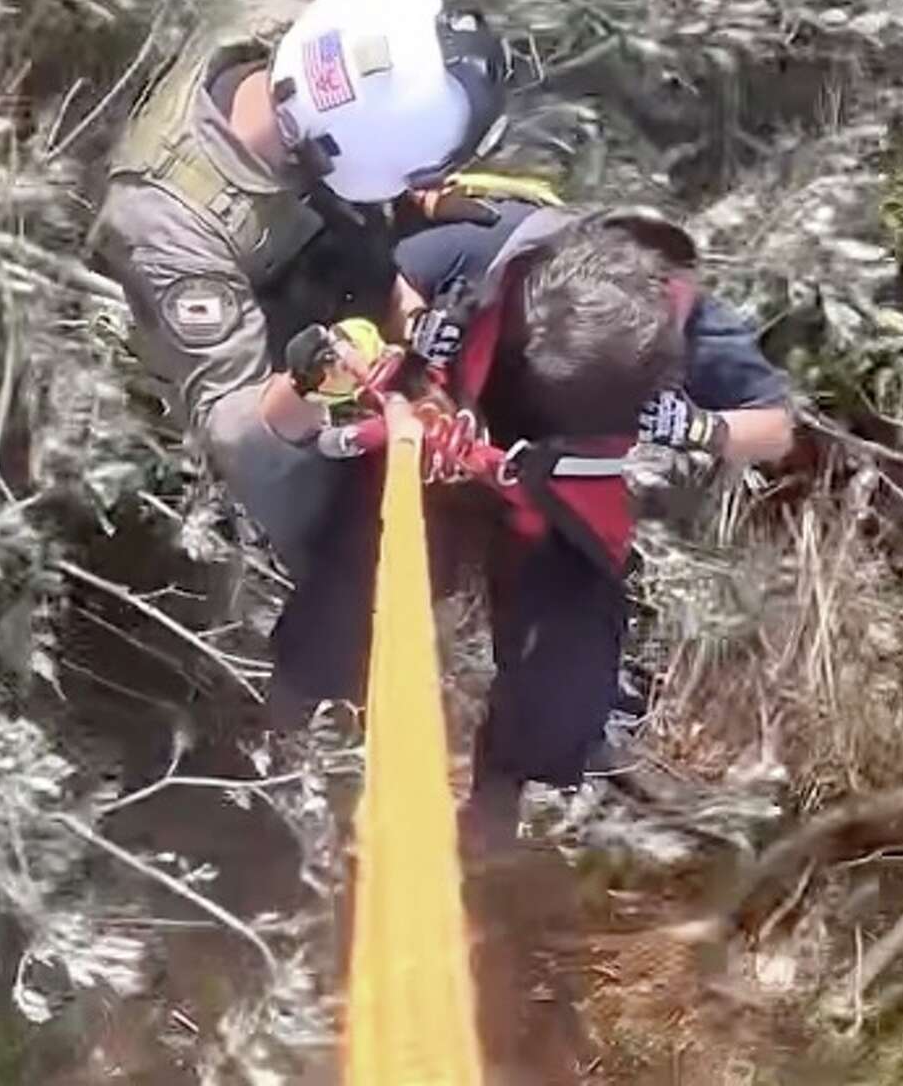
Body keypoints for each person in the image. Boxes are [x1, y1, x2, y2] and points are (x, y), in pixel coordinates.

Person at [276, 201, 795, 845]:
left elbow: (774, 428)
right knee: (351, 591)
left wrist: (700, 428)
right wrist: (417, 329)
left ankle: (500, 803)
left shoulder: (690, 322)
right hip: (448, 451)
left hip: (561, 501)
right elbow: (406, 275)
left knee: (566, 679)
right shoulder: (491, 246)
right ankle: (291, 724)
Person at [90, 0, 518, 577]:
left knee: (502, 237)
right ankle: (348, 572)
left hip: (321, 247)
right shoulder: (170, 226)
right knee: (345, 533)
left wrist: (416, 197)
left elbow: (364, 125)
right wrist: (312, 385)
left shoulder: (302, 43)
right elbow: (231, 425)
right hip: (256, 360)